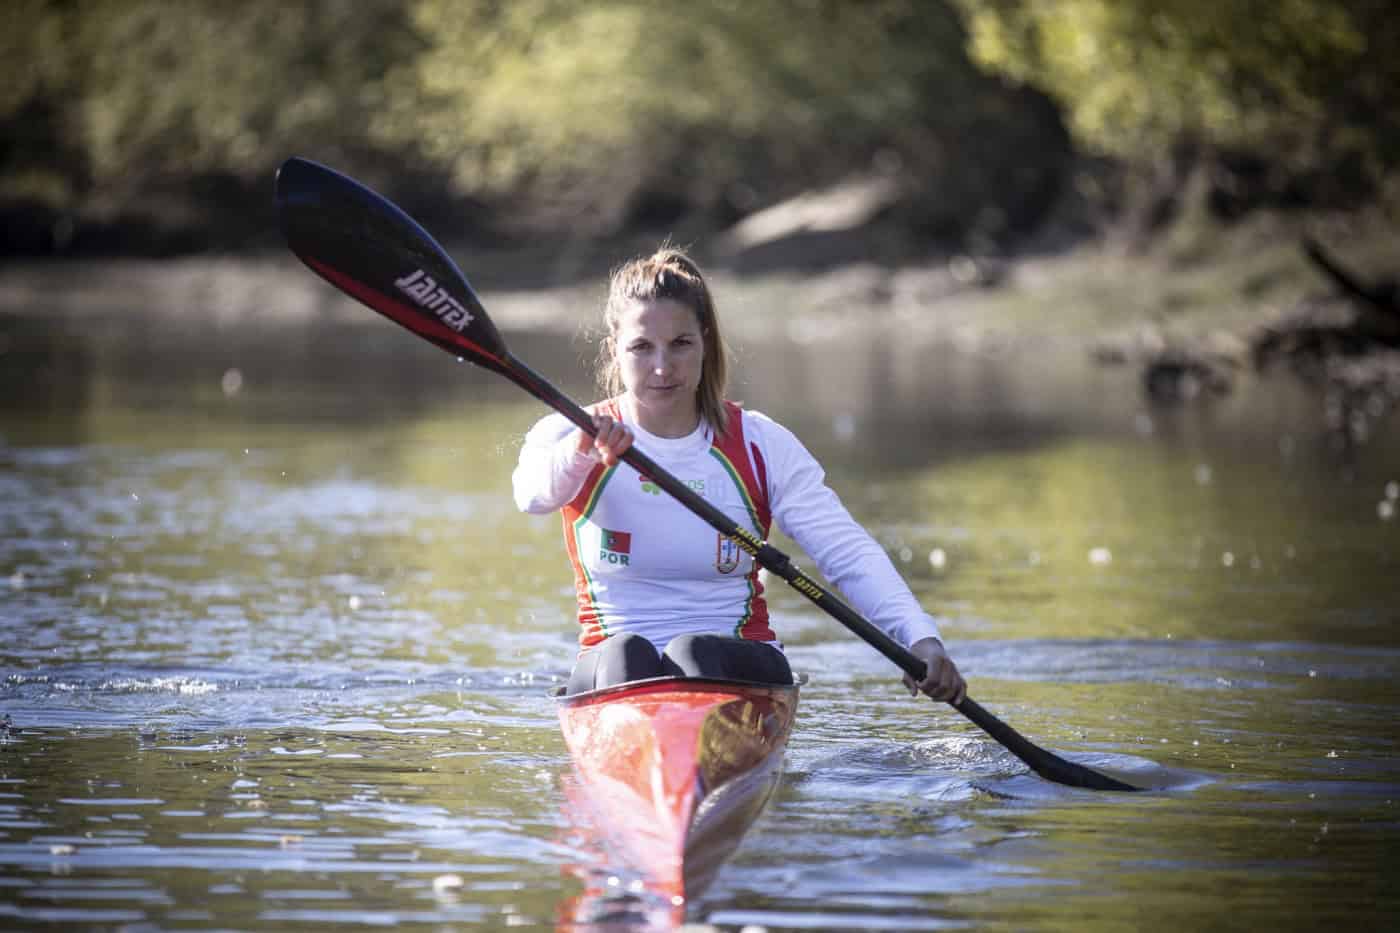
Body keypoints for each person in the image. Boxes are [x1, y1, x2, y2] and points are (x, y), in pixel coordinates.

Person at [512, 246, 965, 703]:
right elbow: (532, 496)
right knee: (627, 654)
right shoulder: (569, 433)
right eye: (642, 347)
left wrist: (921, 639)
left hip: (739, 662)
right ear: (615, 349)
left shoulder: (760, 445)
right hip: (613, 672)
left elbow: (847, 553)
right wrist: (581, 453)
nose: (663, 368)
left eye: (681, 344)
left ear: (705, 342)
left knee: (693, 655)